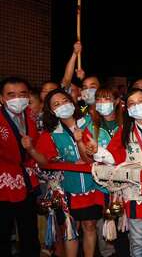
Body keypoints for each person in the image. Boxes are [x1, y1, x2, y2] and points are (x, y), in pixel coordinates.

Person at [86, 88, 142, 257]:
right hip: (134, 193)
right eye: (131, 103)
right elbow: (113, 157)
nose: (136, 106)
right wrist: (97, 150)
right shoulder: (125, 129)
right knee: (138, 244)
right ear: (127, 109)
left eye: (140, 101)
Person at [35, 88, 104, 257]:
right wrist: (69, 162)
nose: (62, 106)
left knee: (90, 225)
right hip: (67, 188)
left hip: (92, 185)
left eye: (65, 101)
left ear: (72, 102)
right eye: (56, 104)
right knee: (70, 228)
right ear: (51, 111)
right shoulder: (50, 134)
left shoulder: (89, 122)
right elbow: (45, 162)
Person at [0, 77, 41, 257]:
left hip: (28, 183)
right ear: (2, 98)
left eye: (22, 94)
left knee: (29, 232)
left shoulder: (31, 116)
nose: (18, 98)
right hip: (3, 185)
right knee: (2, 232)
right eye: (11, 95)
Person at [84, 87, 123, 257]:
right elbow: (86, 154)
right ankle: (107, 253)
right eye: (98, 99)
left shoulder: (126, 124)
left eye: (106, 99)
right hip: (99, 185)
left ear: (116, 101)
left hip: (124, 184)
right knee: (101, 225)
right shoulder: (91, 126)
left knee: (124, 226)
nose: (102, 103)